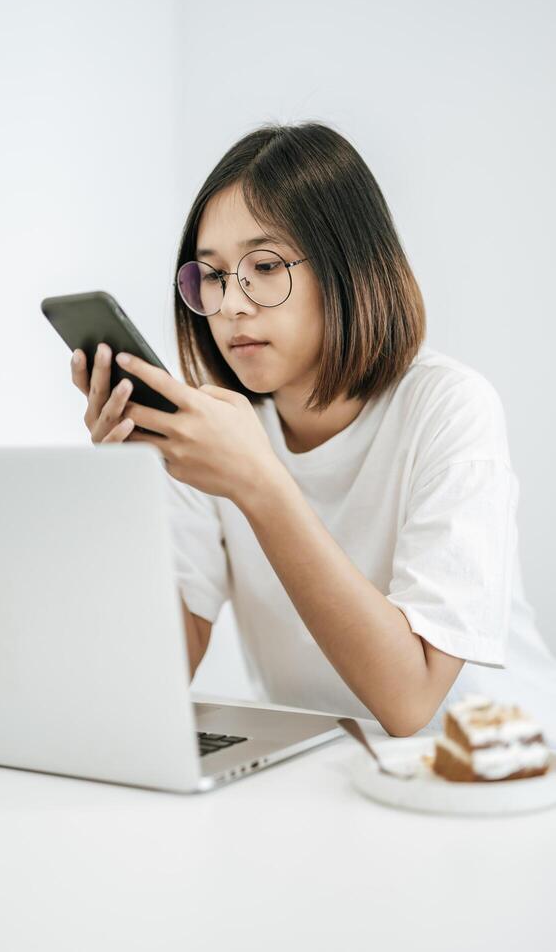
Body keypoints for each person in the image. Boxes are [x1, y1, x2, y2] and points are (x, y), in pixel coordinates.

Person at [70, 121, 556, 742]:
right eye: (213, 276)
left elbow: (410, 702)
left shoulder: (448, 407)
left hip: (491, 772)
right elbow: (161, 670)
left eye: (265, 265)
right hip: (330, 770)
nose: (232, 304)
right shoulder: (215, 432)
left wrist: (259, 484)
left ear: (351, 268)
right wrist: (130, 486)